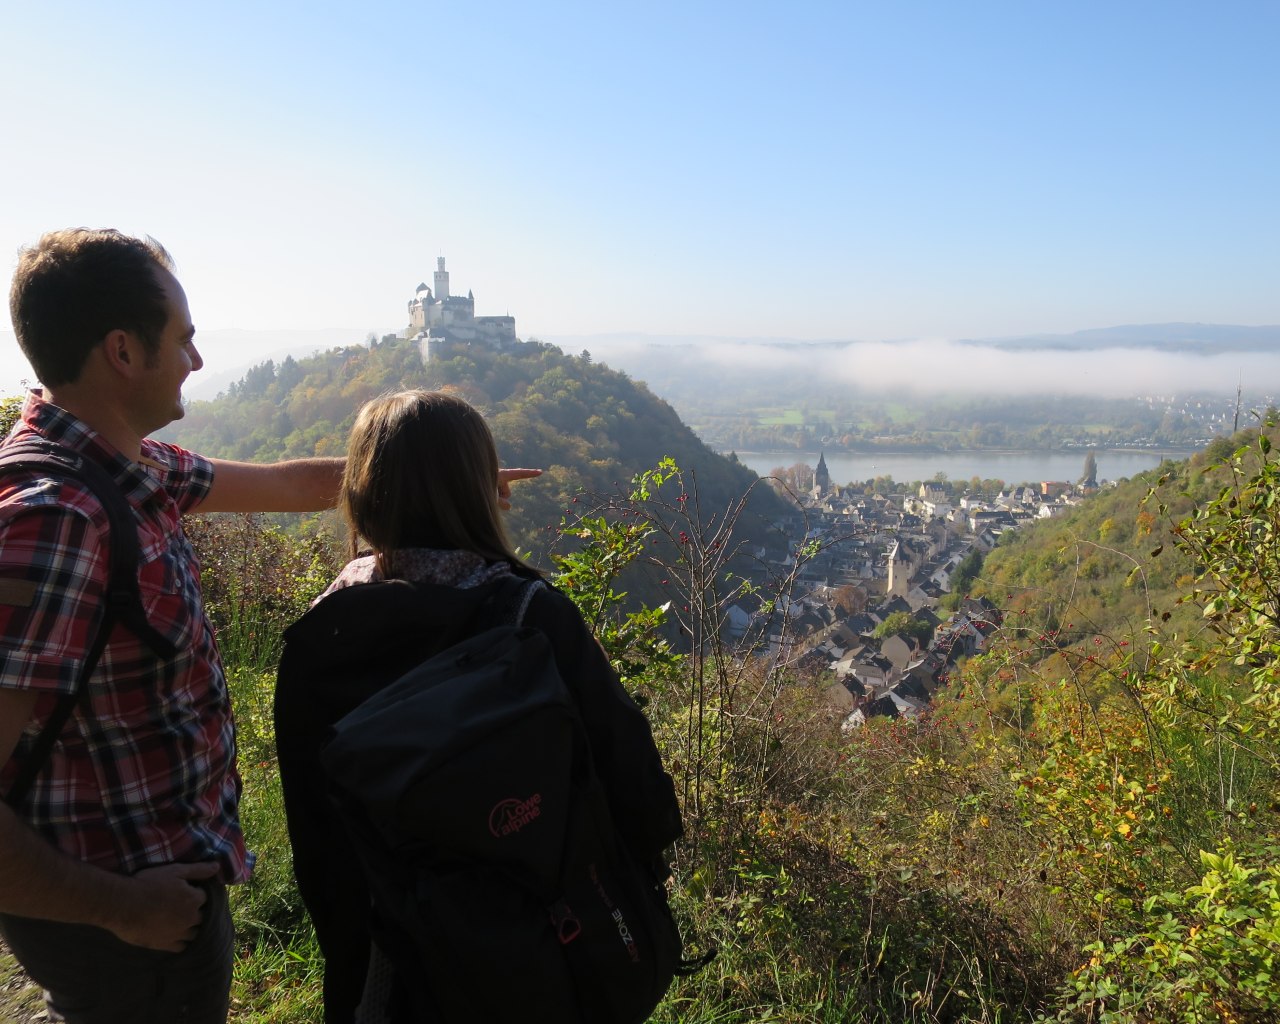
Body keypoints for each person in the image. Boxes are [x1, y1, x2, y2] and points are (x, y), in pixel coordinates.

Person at [0, 228, 538, 1024]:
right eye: (182, 338)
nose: (198, 359)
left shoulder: (131, 467)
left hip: (158, 881)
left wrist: (443, 480)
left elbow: (290, 484)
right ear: (122, 351)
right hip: (125, 910)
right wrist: (120, 909)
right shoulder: (54, 523)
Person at [274, 390, 681, 1023]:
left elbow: (314, 829)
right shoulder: (529, 619)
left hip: (387, 967)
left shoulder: (319, 633)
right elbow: (639, 788)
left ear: (360, 491)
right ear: (480, 490)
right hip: (545, 953)